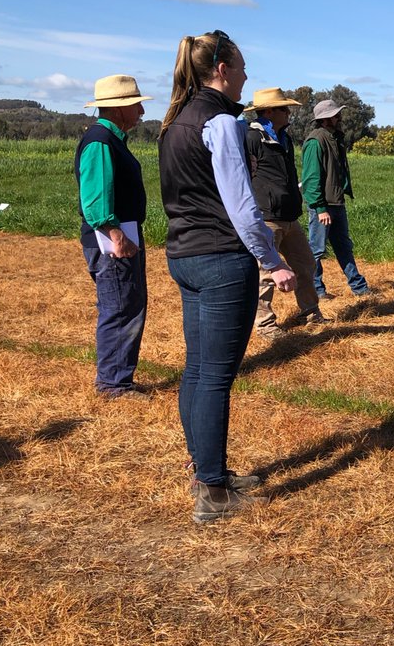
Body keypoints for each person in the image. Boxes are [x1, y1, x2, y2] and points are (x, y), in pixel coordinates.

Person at [158, 30, 296, 524]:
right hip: (221, 260)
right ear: (221, 69)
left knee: (197, 370)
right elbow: (240, 205)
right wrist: (273, 261)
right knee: (215, 376)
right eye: (240, 68)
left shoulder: (174, 120)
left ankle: (207, 471)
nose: (244, 76)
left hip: (185, 255)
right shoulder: (219, 121)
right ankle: (214, 492)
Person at [74, 74, 151, 399]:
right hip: (112, 241)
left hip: (118, 237)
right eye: (137, 105)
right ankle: (112, 384)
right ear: (120, 109)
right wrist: (116, 234)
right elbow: (94, 200)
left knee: (125, 304)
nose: (141, 113)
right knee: (120, 307)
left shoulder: (109, 139)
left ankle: (117, 378)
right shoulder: (100, 142)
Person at [243, 87, 330, 339]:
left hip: (291, 217)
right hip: (266, 218)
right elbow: (245, 178)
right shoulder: (252, 138)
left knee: (306, 264)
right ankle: (265, 324)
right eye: (283, 108)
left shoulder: (285, 138)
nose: (288, 112)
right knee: (265, 274)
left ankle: (310, 312)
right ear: (269, 111)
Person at [302, 98, 371, 299]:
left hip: (336, 202)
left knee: (344, 247)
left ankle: (360, 288)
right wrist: (320, 208)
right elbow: (311, 178)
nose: (339, 117)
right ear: (325, 119)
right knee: (316, 250)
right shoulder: (316, 141)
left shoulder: (334, 137)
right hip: (323, 206)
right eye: (335, 115)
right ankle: (316, 290)